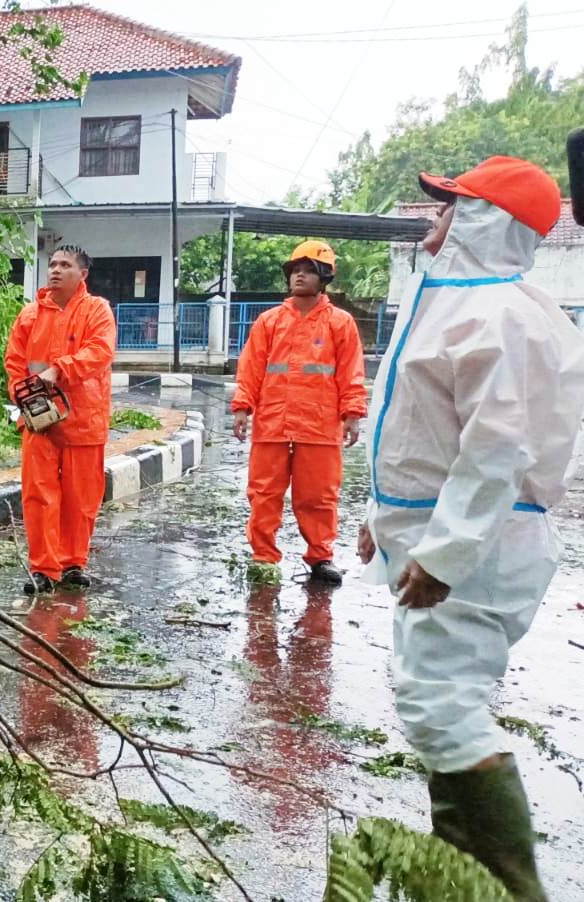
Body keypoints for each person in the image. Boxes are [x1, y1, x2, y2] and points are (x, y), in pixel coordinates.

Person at [359, 155, 583, 902]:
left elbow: (497, 447)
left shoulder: (501, 315)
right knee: (434, 698)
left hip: (480, 545)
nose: (434, 222)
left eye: (449, 208)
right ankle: (463, 880)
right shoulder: (459, 303)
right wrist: (376, 516)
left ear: (487, 221)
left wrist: (447, 553)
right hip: (442, 532)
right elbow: (421, 428)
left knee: (441, 704)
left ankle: (506, 888)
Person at [230, 240, 366, 586]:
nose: (299, 277)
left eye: (307, 271)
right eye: (295, 271)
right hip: (273, 421)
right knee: (263, 492)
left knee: (318, 496)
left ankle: (320, 557)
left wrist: (352, 412)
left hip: (320, 424)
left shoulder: (341, 323)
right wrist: (242, 407)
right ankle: (263, 556)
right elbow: (251, 367)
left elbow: (351, 371)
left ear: (324, 277)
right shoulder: (270, 321)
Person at [3, 245, 116, 593]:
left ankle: (72, 564)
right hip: (40, 423)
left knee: (81, 499)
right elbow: (15, 363)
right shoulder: (29, 316)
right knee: (38, 496)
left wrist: (59, 370)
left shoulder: (97, 310)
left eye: (64, 265)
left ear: (82, 274)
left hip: (84, 420)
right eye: (52, 263)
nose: (54, 269)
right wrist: (24, 396)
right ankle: (44, 569)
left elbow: (100, 351)